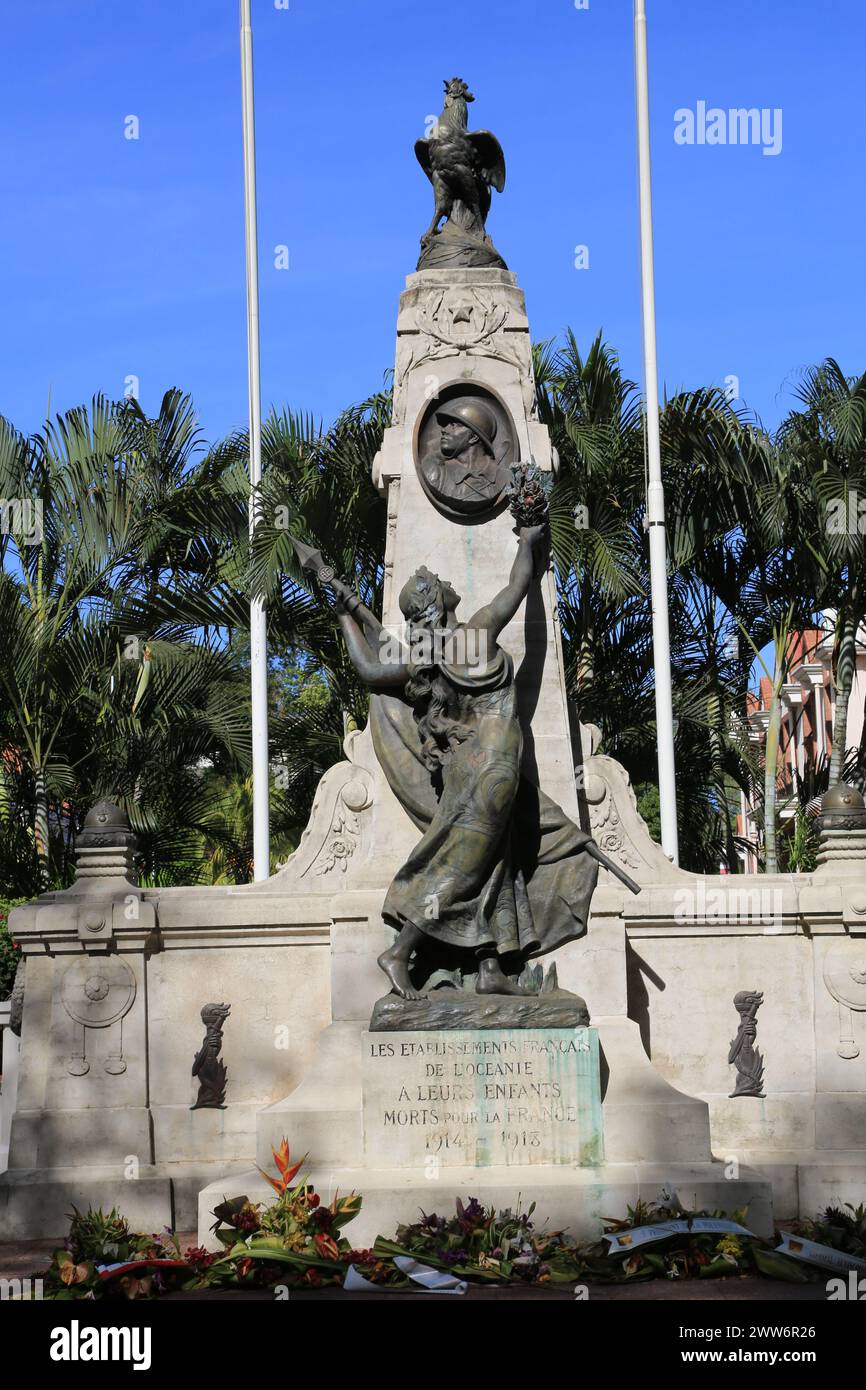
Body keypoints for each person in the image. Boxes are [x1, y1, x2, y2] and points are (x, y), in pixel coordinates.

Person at [331, 524, 597, 1000]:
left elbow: (370, 667)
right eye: (435, 580)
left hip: (489, 772)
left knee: (497, 864)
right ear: (439, 601)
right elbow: (516, 587)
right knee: (463, 868)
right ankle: (401, 950)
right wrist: (527, 543)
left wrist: (346, 614)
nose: (442, 577)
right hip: (489, 771)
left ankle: (489, 964)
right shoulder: (474, 634)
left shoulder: (431, 654)